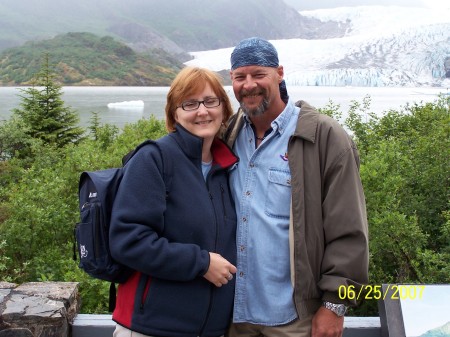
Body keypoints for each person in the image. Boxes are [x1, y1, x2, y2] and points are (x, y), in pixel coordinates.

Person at [223, 37, 369, 337]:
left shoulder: (324, 137)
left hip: (295, 320)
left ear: (279, 73)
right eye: (240, 77)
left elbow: (349, 230)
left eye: (258, 74)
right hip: (234, 316)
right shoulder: (228, 134)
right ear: (232, 80)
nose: (249, 85)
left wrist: (335, 305)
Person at [109, 66, 239, 337]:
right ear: (174, 114)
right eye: (190, 103)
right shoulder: (154, 159)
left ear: (224, 109)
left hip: (211, 330)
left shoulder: (225, 169)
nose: (202, 111)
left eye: (210, 101)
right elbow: (128, 241)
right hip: (151, 328)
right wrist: (201, 263)